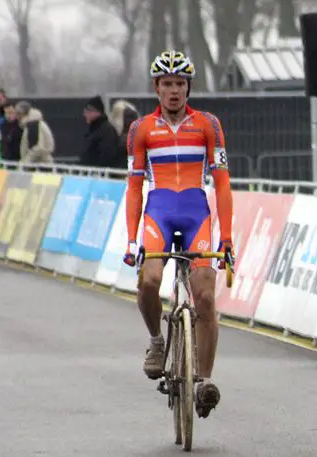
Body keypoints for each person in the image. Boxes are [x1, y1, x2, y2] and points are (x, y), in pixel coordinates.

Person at [122, 50, 235, 418]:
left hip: (195, 214)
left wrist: (227, 237)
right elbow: (135, 188)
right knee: (149, 281)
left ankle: (204, 382)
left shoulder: (208, 124)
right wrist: (130, 239)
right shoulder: (141, 129)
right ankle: (157, 341)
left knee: (204, 297)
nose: (174, 91)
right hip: (158, 213)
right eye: (167, 84)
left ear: (188, 87)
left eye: (180, 84)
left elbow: (222, 184)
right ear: (156, 87)